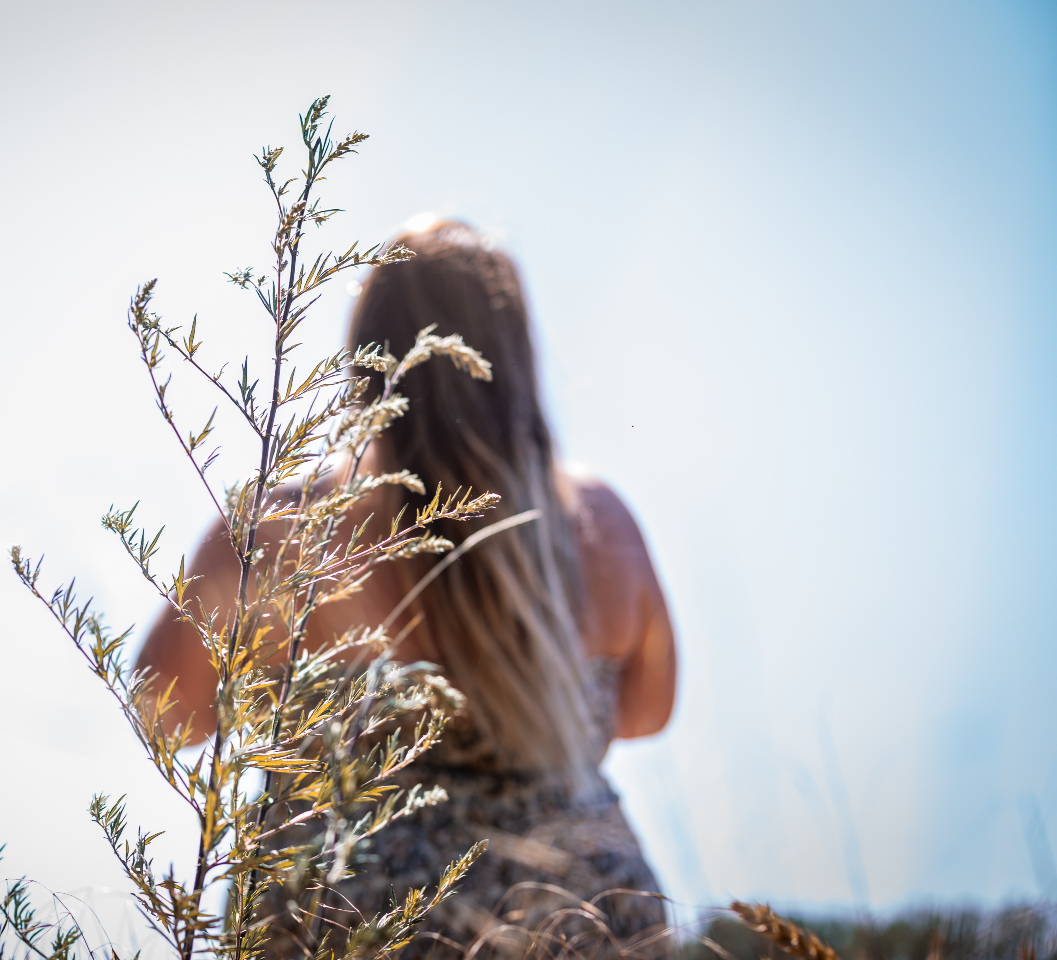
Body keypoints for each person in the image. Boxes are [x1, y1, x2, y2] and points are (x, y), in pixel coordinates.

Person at [136, 220, 677, 958]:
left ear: (366, 359)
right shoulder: (602, 524)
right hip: (586, 920)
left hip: (351, 923)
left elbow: (164, 714)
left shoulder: (283, 532)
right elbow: (647, 711)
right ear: (516, 361)